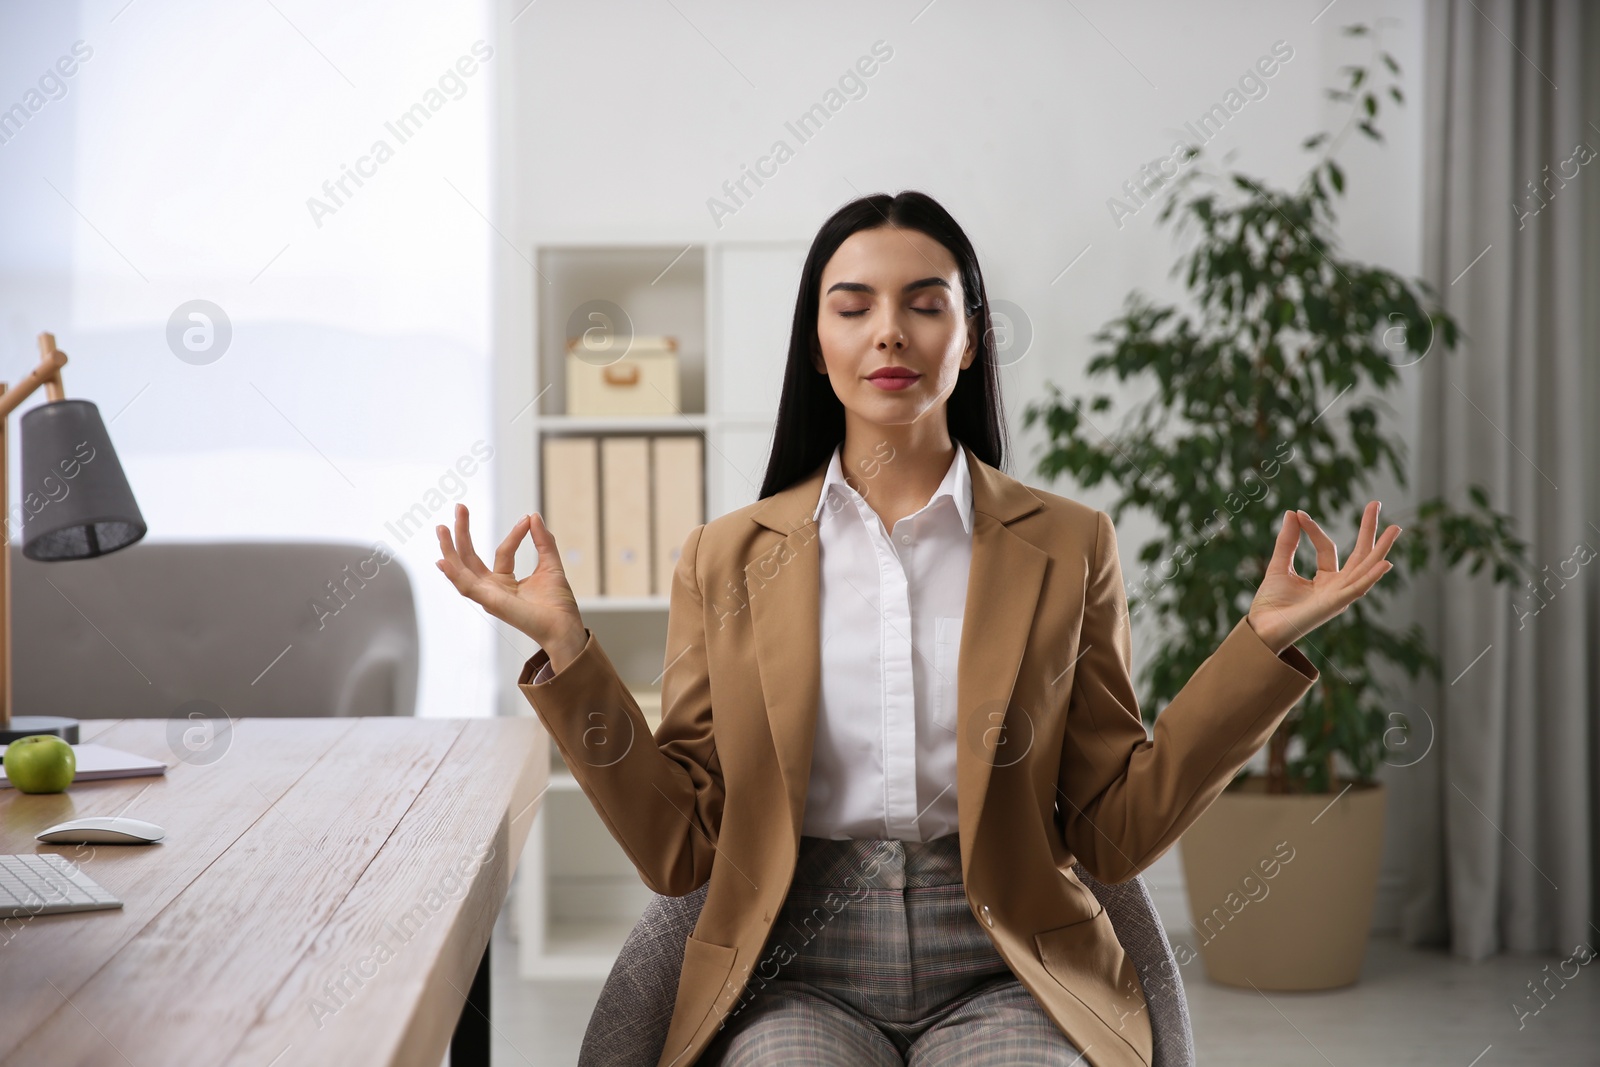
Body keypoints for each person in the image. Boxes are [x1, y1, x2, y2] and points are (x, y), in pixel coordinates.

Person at [436, 190, 1402, 1067]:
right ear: (816, 345)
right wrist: (569, 652)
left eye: (925, 304)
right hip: (797, 961)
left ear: (972, 336)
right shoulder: (721, 560)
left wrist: (1259, 647)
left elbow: (1112, 828)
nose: (888, 333)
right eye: (852, 307)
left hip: (1006, 958)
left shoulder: (1068, 545)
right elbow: (683, 847)